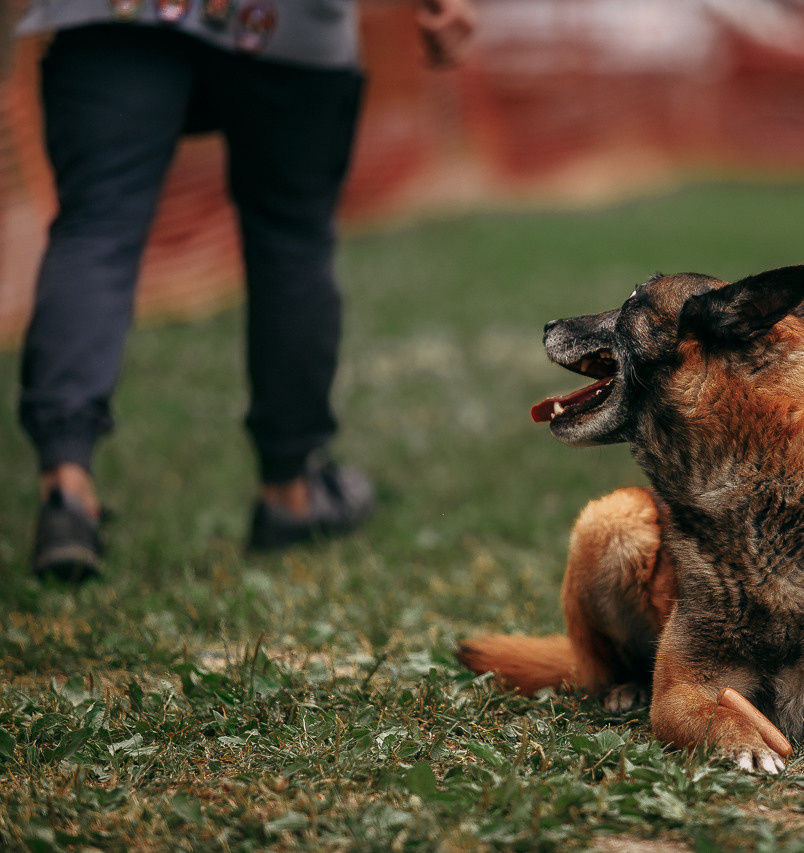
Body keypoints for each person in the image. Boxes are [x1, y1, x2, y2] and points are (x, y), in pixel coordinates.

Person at [15, 0, 476, 582]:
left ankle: (66, 488)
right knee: (292, 239)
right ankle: (290, 491)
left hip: (116, 15)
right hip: (286, 25)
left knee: (96, 227)